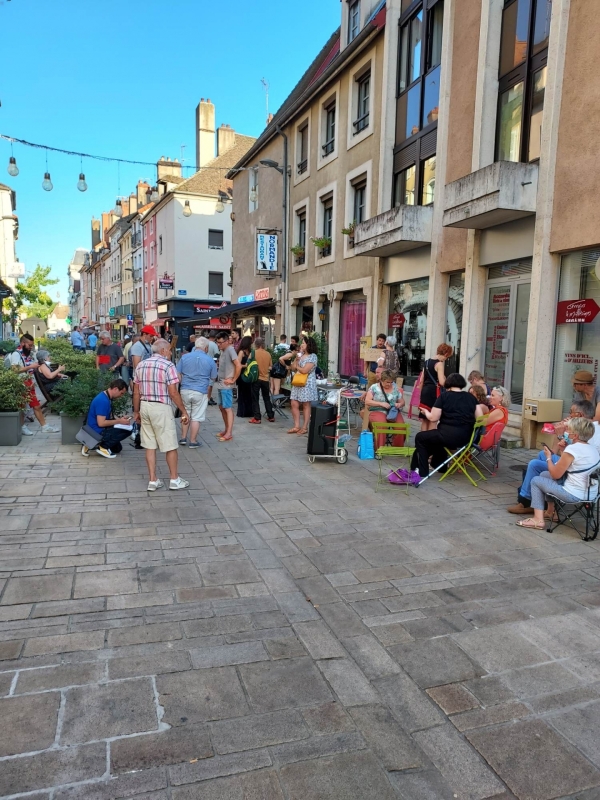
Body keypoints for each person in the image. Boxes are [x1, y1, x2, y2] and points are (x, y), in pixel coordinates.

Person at [508, 400, 599, 514]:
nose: (569, 415)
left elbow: (569, 456)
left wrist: (561, 437)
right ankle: (546, 506)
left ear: (579, 415)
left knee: (535, 466)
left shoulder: (584, 431)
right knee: (542, 456)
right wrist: (560, 436)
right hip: (586, 477)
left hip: (576, 480)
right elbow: (558, 451)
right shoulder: (588, 428)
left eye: (571, 412)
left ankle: (527, 502)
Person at [516, 418, 600, 530]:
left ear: (574, 435)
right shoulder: (592, 449)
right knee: (544, 475)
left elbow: (556, 474)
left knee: (536, 481)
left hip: (573, 494)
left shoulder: (573, 449)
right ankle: (550, 512)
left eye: (568, 430)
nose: (565, 432)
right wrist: (563, 450)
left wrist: (548, 458)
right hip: (591, 493)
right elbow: (568, 466)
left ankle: (538, 520)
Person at [133, 338, 190, 491]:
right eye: (170, 350)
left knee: (149, 445)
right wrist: (183, 411)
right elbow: (173, 392)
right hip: (161, 407)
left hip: (145, 406)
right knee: (170, 444)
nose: (170, 353)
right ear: (163, 351)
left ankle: (153, 480)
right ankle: (174, 479)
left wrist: (136, 411)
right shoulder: (168, 365)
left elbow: (136, 392)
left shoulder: (141, 365)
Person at [410, 372, 478, 479]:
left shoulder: (444, 396)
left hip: (446, 436)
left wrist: (426, 412)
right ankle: (439, 466)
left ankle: (421, 471)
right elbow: (479, 418)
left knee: (420, 437)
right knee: (434, 440)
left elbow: (433, 418)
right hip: (467, 438)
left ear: (448, 384)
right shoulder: (471, 398)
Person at [7, 334, 59, 435]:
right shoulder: (16, 354)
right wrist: (30, 366)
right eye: (29, 345)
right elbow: (14, 370)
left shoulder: (27, 354)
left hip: (28, 382)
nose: (31, 347)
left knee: (35, 405)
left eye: (32, 345)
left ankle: (43, 426)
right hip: (21, 383)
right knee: (23, 406)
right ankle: (25, 426)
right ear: (22, 343)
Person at [176, 336, 217, 447]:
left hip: (185, 389)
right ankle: (193, 441)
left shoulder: (185, 357)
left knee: (186, 413)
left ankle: (183, 438)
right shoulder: (210, 360)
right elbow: (213, 377)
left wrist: (182, 381)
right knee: (196, 417)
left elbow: (177, 373)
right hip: (200, 390)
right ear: (206, 348)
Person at [82, 378, 132, 459]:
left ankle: (90, 444)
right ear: (115, 389)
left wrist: (120, 420)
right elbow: (101, 423)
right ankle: (102, 447)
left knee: (117, 448)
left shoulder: (106, 397)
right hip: (97, 431)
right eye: (121, 393)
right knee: (128, 431)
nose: (121, 396)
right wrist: (119, 421)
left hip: (96, 429)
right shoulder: (103, 401)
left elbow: (109, 416)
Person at [364, 369, 406, 450]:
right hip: (377, 410)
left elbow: (402, 401)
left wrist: (399, 404)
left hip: (392, 412)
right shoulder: (374, 387)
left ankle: (397, 449)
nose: (389, 384)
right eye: (387, 382)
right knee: (381, 425)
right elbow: (367, 401)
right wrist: (381, 403)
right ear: (382, 380)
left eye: (391, 382)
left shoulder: (395, 388)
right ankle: (379, 449)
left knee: (401, 426)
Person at [417, 343, 453, 431]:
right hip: (434, 392)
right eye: (447, 357)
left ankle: (423, 440)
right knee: (433, 419)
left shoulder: (427, 362)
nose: (446, 359)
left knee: (425, 419)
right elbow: (441, 382)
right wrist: (450, 386)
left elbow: (421, 381)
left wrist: (421, 394)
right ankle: (430, 441)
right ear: (445, 354)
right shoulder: (439, 364)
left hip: (425, 391)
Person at [288, 336, 318, 435]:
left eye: (304, 343)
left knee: (306, 404)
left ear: (309, 345)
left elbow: (305, 370)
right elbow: (292, 368)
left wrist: (297, 367)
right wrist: (296, 360)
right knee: (294, 403)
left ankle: (305, 427)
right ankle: (296, 426)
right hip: (297, 382)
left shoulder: (313, 356)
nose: (301, 345)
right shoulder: (300, 355)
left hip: (307, 384)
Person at [215, 330, 242, 442]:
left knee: (227, 408)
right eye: (217, 342)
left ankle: (229, 432)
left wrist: (233, 379)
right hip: (221, 383)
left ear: (226, 341)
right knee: (222, 407)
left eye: (220, 342)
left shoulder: (230, 350)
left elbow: (238, 365)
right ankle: (226, 430)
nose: (218, 344)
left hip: (226, 384)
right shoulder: (223, 351)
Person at [250, 337, 274, 424]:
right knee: (266, 398)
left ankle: (257, 417)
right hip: (265, 379)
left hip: (256, 378)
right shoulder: (268, 354)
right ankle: (270, 416)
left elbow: (248, 364)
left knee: (255, 398)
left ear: (255, 344)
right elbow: (270, 367)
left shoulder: (253, 353)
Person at [236, 336, 254, 418]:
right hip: (243, 375)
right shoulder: (241, 352)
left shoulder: (250, 352)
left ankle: (249, 411)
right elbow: (238, 364)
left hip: (249, 375)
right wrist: (246, 365)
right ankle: (242, 411)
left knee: (249, 393)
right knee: (243, 393)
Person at [206, 331, 220, 406]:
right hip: (210, 365)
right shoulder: (213, 344)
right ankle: (208, 398)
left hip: (203, 364)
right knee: (210, 383)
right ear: (215, 338)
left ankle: (206, 397)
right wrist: (214, 362)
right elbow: (217, 354)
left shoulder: (205, 342)